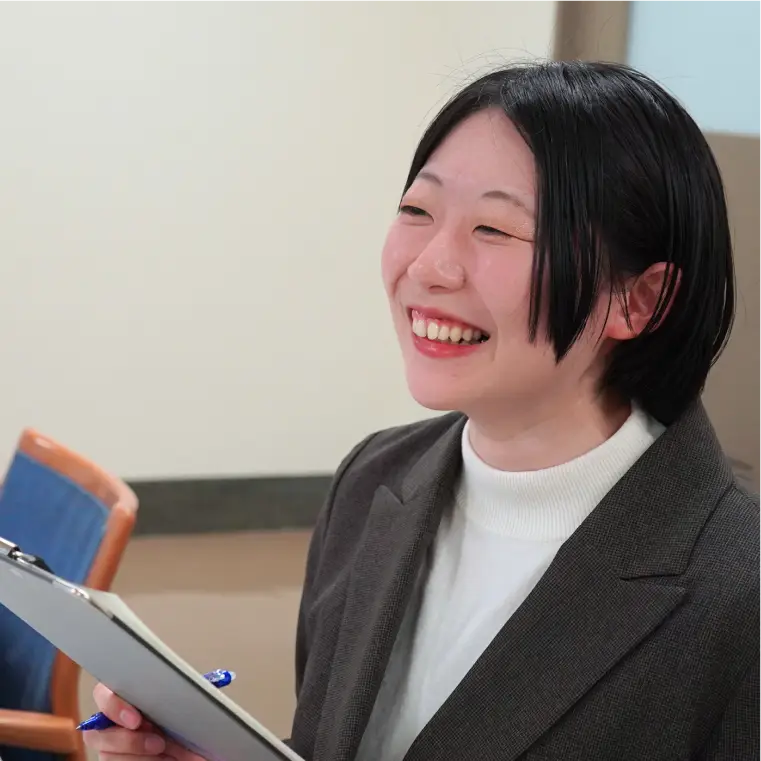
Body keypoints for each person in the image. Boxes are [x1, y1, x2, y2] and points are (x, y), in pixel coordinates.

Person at [84, 61, 760, 761]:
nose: (430, 265)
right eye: (417, 211)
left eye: (494, 229)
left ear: (639, 299)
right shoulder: (375, 477)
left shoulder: (738, 593)